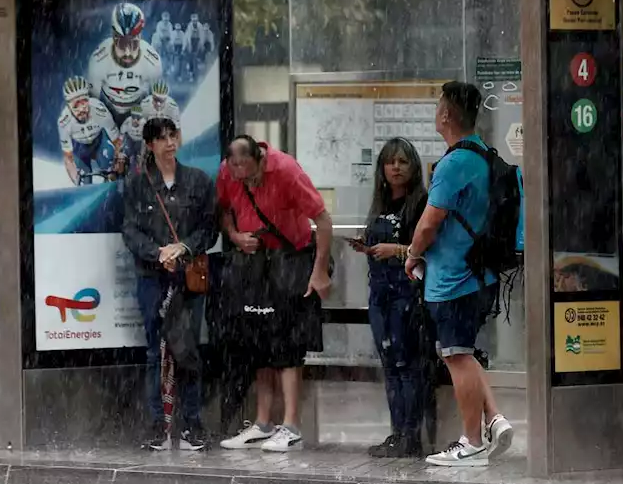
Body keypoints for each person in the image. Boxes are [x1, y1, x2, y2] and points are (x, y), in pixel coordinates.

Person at [405, 82, 513, 467]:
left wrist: (413, 254)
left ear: (446, 114)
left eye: (438, 106)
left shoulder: (453, 164)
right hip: (479, 274)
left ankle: (471, 442)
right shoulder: (482, 154)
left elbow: (429, 224)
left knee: (456, 356)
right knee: (464, 352)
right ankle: (494, 419)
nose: (436, 112)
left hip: (453, 279)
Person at [217, 136, 334, 453]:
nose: (246, 182)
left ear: (261, 159)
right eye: (238, 175)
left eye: (251, 175)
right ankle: (263, 423)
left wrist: (319, 270)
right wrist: (237, 237)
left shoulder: (286, 170)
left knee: (287, 343)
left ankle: (292, 425)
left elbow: (323, 220)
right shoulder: (228, 172)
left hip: (291, 257)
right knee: (258, 341)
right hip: (255, 263)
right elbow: (225, 211)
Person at [121, 118, 217, 451]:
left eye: (172, 136)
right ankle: (157, 427)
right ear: (149, 145)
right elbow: (130, 231)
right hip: (152, 277)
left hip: (188, 278)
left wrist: (184, 247)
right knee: (154, 352)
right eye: (161, 139)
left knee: (188, 349)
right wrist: (157, 253)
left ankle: (192, 425)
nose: (169, 143)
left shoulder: (199, 181)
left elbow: (210, 229)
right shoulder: (137, 185)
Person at [354, 138, 430, 459]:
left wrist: (396, 251)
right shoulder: (379, 205)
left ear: (413, 168)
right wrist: (366, 244)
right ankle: (397, 433)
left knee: (407, 365)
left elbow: (427, 249)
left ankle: (411, 436)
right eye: (390, 162)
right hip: (380, 296)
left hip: (407, 295)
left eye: (403, 162)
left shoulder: (422, 203)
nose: (396, 168)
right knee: (390, 367)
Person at [88, 3, 163, 127]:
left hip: (139, 110)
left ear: (140, 37)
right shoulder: (98, 60)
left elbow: (154, 104)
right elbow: (93, 103)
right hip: (109, 110)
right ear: (113, 36)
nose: (128, 52)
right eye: (122, 43)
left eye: (134, 44)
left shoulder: (153, 62)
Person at [58, 76, 124, 186]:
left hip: (99, 141)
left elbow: (117, 141)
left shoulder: (99, 110)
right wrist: (76, 178)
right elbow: (68, 157)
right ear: (68, 106)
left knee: (112, 174)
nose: (81, 109)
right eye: (75, 105)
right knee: (83, 183)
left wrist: (119, 161)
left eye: (84, 102)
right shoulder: (64, 122)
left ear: (89, 99)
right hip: (79, 148)